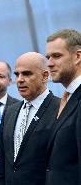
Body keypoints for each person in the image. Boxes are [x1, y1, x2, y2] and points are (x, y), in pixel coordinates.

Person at [0, 52, 60, 185]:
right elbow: (1, 160)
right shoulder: (10, 111)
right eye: (17, 74)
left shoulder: (60, 109)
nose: (19, 79)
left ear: (44, 75)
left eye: (27, 74)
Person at [45, 29, 81, 185]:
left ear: (78, 56)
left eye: (57, 56)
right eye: (48, 57)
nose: (49, 63)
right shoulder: (67, 99)